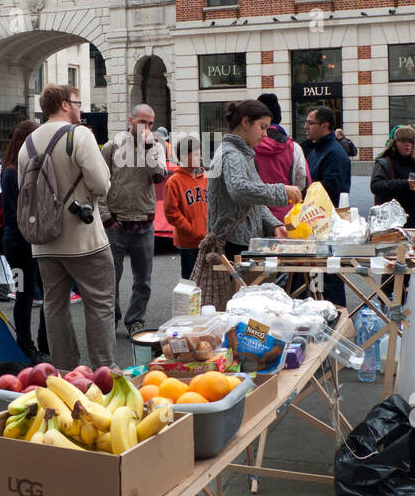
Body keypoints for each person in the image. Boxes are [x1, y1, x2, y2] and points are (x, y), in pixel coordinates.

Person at [22, 84, 117, 369]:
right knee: (100, 304)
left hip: (44, 241)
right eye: (77, 102)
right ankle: (104, 372)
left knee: (55, 306)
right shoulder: (79, 136)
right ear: (64, 104)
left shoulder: (27, 144)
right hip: (83, 238)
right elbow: (101, 183)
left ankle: (65, 372)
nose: (80, 108)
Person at [99, 103, 167, 335]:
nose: (147, 127)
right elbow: (96, 185)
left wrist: (147, 147)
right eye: (142, 122)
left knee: (143, 280)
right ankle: (112, 319)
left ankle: (135, 320)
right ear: (131, 121)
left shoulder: (156, 146)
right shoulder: (111, 147)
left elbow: (158, 176)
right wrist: (106, 217)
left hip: (144, 221)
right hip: (116, 222)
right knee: (111, 279)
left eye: (150, 123)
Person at [208, 100, 302, 260]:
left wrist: (275, 225)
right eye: (262, 127)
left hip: (239, 242)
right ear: (245, 122)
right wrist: (282, 190)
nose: (265, 134)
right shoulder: (232, 154)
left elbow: (253, 202)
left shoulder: (242, 153)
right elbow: (240, 190)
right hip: (232, 245)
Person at [1, 120, 49, 362]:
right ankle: (25, 345)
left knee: (45, 291)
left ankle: (43, 342)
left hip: (32, 242)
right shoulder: (11, 172)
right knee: (24, 294)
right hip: (18, 245)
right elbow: (11, 215)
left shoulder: (29, 168)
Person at [304, 106, 352, 307]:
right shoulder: (317, 148)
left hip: (327, 228)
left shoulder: (334, 153)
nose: (305, 127)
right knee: (317, 282)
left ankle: (336, 322)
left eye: (310, 123)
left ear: (325, 125)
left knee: (329, 281)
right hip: (315, 226)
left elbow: (332, 191)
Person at [253, 93, 309, 220]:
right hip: (288, 217)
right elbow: (302, 183)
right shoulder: (293, 147)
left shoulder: (250, 146)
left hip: (256, 216)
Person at [370, 126, 415, 228]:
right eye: (403, 141)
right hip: (391, 222)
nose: (407, 145)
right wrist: (404, 184)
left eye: (410, 142)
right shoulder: (385, 163)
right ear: (395, 143)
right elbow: (376, 186)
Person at [164, 135, 208, 279]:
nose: (200, 157)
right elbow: (171, 212)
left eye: (200, 154)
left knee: (207, 280)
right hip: (188, 242)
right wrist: (190, 229)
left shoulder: (205, 178)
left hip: (207, 240)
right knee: (190, 281)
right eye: (195, 154)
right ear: (183, 156)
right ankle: (190, 303)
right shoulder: (174, 181)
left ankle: (204, 303)